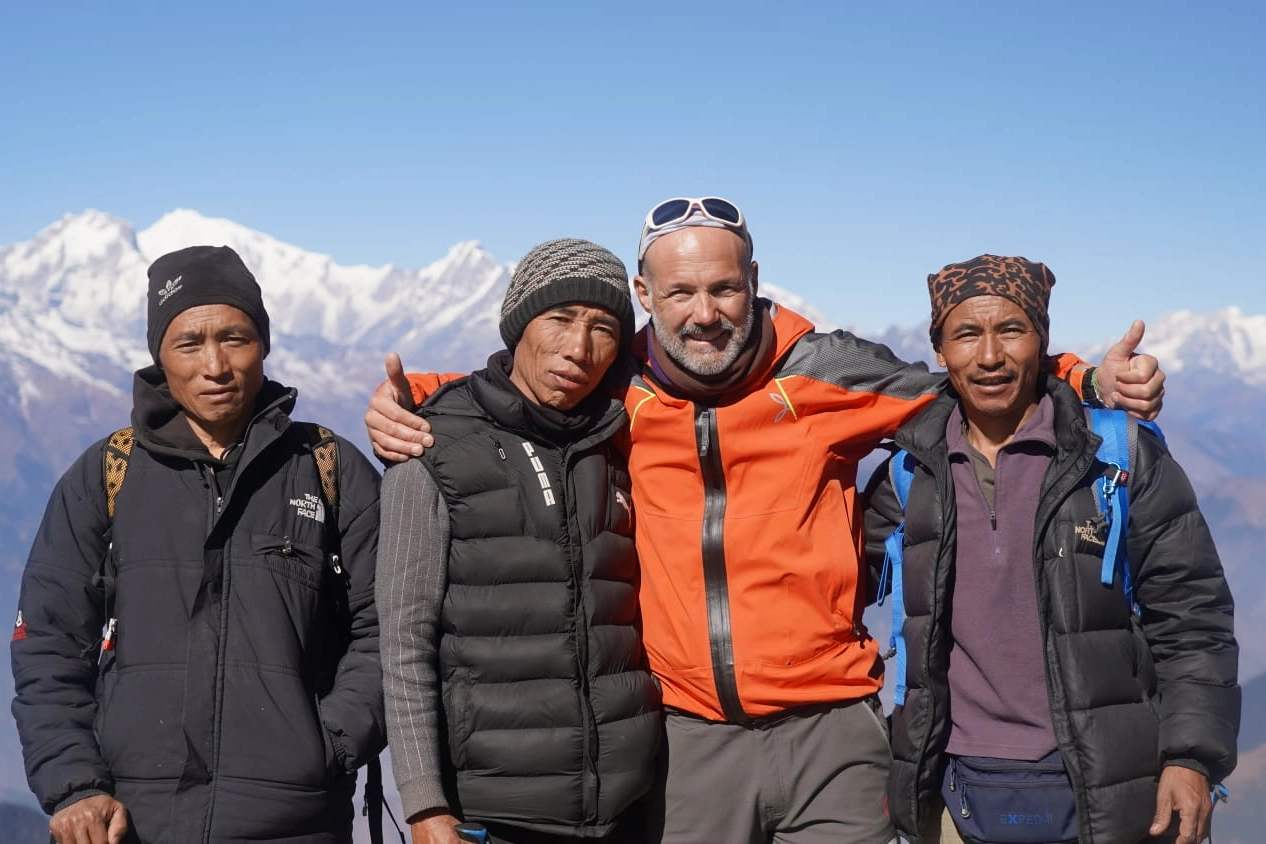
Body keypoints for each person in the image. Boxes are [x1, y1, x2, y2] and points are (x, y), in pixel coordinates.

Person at [365, 198, 1165, 843]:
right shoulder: (617, 384)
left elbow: (967, 385)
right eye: (680, 293)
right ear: (647, 298)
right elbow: (516, 392)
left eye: (724, 288)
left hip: (832, 735)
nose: (705, 312)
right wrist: (405, 403)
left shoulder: (824, 372)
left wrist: (1086, 377)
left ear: (754, 280)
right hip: (685, 744)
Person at [11, 246, 385, 844]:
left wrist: (328, 746)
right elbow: (49, 646)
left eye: (235, 337)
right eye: (189, 343)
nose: (215, 365)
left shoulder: (329, 469)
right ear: (160, 355)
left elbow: (390, 629)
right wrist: (74, 787)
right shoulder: (107, 474)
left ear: (264, 344)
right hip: (129, 825)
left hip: (297, 825)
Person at [862, 255, 1237, 844]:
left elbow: (1194, 619)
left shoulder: (1117, 458)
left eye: (1012, 329)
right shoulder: (911, 474)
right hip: (954, 796)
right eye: (966, 334)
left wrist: (1191, 758)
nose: (989, 356)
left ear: (1042, 340)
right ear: (939, 350)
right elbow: (828, 584)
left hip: (1112, 792)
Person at [376, 238, 660, 844]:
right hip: (493, 816)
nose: (579, 348)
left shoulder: (622, 439)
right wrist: (424, 805)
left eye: (604, 328)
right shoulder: (430, 447)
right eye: (559, 319)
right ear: (517, 326)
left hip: (628, 812)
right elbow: (402, 640)